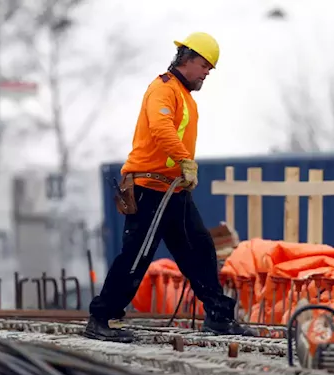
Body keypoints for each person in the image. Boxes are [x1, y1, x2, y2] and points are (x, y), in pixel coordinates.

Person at [85, 32, 255, 343]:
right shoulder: (162, 89)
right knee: (137, 255)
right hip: (150, 189)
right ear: (187, 60)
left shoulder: (183, 95)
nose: (207, 73)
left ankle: (218, 316)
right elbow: (160, 128)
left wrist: (183, 168)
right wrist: (184, 161)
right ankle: (101, 317)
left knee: (200, 250)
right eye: (205, 66)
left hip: (173, 192)